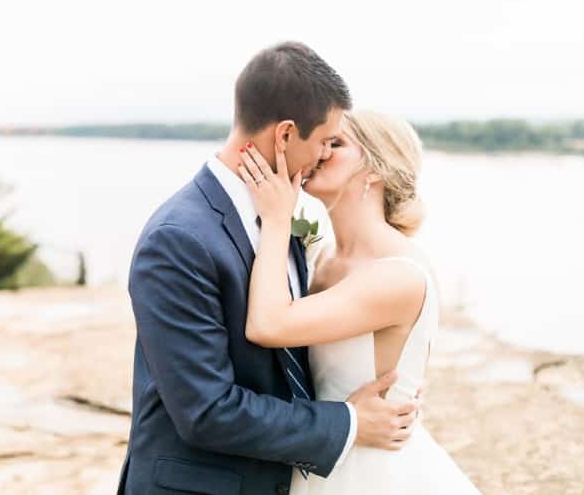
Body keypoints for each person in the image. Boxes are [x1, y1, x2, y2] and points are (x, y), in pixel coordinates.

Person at [117, 43, 420, 495]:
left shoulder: (281, 219)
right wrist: (349, 421)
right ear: (285, 136)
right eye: (324, 141)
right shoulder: (178, 238)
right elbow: (206, 411)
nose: (323, 156)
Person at [237, 109, 480, 494]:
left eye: (335, 144)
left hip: (371, 470)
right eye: (321, 141)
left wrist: (277, 219)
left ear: (375, 170)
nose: (319, 151)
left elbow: (268, 325)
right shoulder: (323, 256)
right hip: (324, 452)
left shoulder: (399, 274)